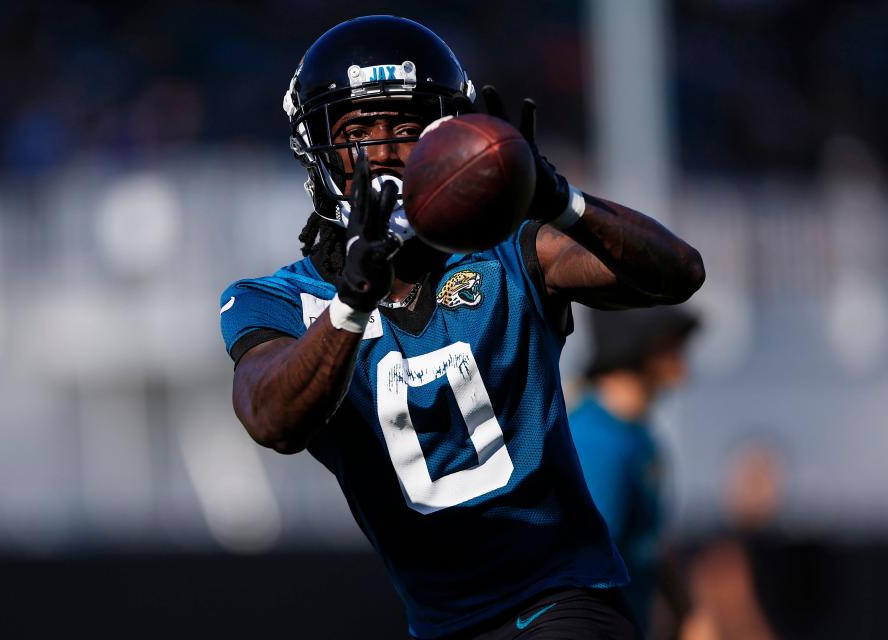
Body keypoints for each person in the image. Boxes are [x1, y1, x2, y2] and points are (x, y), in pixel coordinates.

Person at [220, 15, 705, 640]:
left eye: (405, 126)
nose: (385, 149)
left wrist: (561, 200)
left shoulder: (510, 251)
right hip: (444, 626)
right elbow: (272, 418)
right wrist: (351, 303)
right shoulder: (277, 300)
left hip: (558, 600)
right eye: (357, 130)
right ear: (317, 148)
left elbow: (677, 273)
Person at [568, 307, 701, 634]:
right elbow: (584, 574)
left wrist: (689, 616)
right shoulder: (596, 443)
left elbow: (651, 545)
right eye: (671, 340)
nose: (681, 352)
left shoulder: (639, 437)